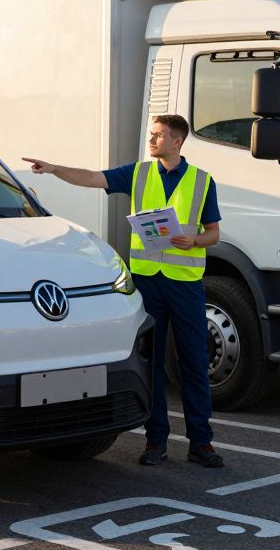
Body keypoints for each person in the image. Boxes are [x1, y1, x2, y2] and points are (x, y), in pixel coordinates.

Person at [23, 114, 223, 468]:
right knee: (153, 365)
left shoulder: (202, 181)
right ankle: (155, 441)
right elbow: (91, 177)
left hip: (186, 285)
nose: (152, 139)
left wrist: (194, 240)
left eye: (159, 135)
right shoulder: (139, 173)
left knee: (193, 362)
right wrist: (54, 168)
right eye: (152, 134)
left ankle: (201, 443)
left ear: (177, 141)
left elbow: (214, 234)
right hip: (148, 282)